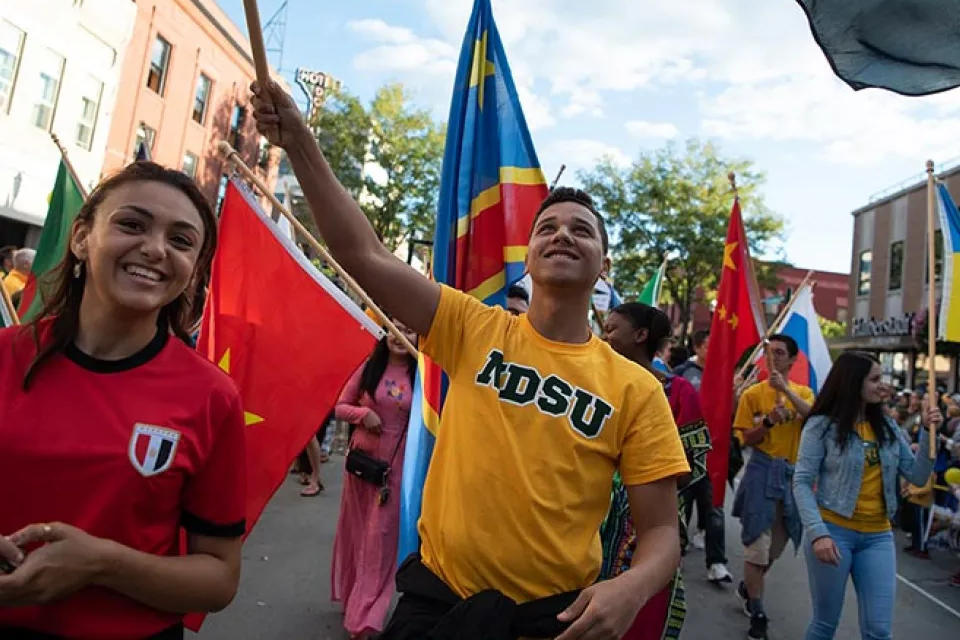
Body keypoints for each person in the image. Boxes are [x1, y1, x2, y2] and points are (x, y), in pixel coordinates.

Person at [251, 80, 690, 640]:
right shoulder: (469, 326)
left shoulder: (637, 389)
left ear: (603, 264)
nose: (563, 236)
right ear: (527, 258)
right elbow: (363, 254)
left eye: (583, 230)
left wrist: (630, 587)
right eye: (548, 228)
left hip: (551, 623)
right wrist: (301, 146)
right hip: (435, 608)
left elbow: (661, 533)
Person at [0, 162, 246, 639]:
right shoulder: (4, 356)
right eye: (131, 224)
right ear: (80, 238)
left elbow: (218, 579)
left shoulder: (212, 398)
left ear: (194, 270)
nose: (154, 249)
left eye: (181, 240)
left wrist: (103, 564)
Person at [793, 352, 940, 640]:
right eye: (874, 379)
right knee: (825, 625)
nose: (881, 385)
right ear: (852, 382)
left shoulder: (887, 426)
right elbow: (801, 482)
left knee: (879, 631)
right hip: (833, 533)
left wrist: (926, 431)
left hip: (878, 537)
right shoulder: (821, 425)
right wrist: (818, 533)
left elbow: (918, 475)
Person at [600, 303, 712, 640]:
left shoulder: (677, 392)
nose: (603, 337)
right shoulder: (591, 380)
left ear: (640, 335)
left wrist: (636, 469)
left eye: (611, 329)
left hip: (643, 523)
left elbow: (691, 466)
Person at [331, 322, 417, 639]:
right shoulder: (370, 366)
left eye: (408, 330)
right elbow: (339, 406)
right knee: (356, 534)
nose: (399, 335)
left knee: (380, 541)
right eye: (393, 327)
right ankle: (355, 600)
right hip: (361, 467)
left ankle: (365, 617)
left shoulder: (423, 375)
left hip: (396, 471)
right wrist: (362, 415)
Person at [732, 334, 815, 640]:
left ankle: (748, 587)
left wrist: (786, 394)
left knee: (774, 550)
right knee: (756, 547)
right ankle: (758, 613)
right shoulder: (753, 394)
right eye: (770, 352)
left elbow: (815, 417)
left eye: (780, 353)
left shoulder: (804, 392)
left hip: (792, 477)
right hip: (761, 471)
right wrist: (767, 423)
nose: (773, 358)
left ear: (793, 360)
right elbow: (744, 438)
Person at [672, 330, 730, 583]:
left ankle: (716, 562)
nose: (714, 349)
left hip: (713, 454)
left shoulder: (724, 374)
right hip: (684, 452)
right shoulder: (683, 373)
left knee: (714, 509)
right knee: (679, 507)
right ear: (697, 346)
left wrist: (734, 393)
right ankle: (674, 556)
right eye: (709, 344)